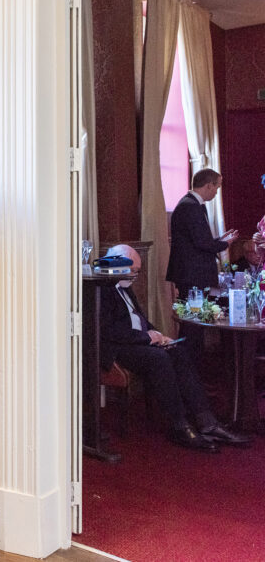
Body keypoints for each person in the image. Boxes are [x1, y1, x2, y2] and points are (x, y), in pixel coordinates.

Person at [99, 245, 251, 452]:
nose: (135, 275)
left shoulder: (124, 285)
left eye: (137, 271)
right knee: (158, 359)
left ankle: (206, 421)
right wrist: (146, 337)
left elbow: (139, 319)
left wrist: (158, 335)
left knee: (178, 351)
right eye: (132, 270)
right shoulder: (101, 288)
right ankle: (179, 425)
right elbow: (107, 331)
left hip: (137, 341)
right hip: (119, 347)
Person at [166, 168, 239, 298]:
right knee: (195, 314)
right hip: (192, 274)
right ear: (209, 185)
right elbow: (201, 243)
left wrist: (219, 239)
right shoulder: (190, 206)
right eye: (217, 187)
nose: (217, 192)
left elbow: (196, 238)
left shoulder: (190, 203)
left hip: (192, 273)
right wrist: (225, 244)